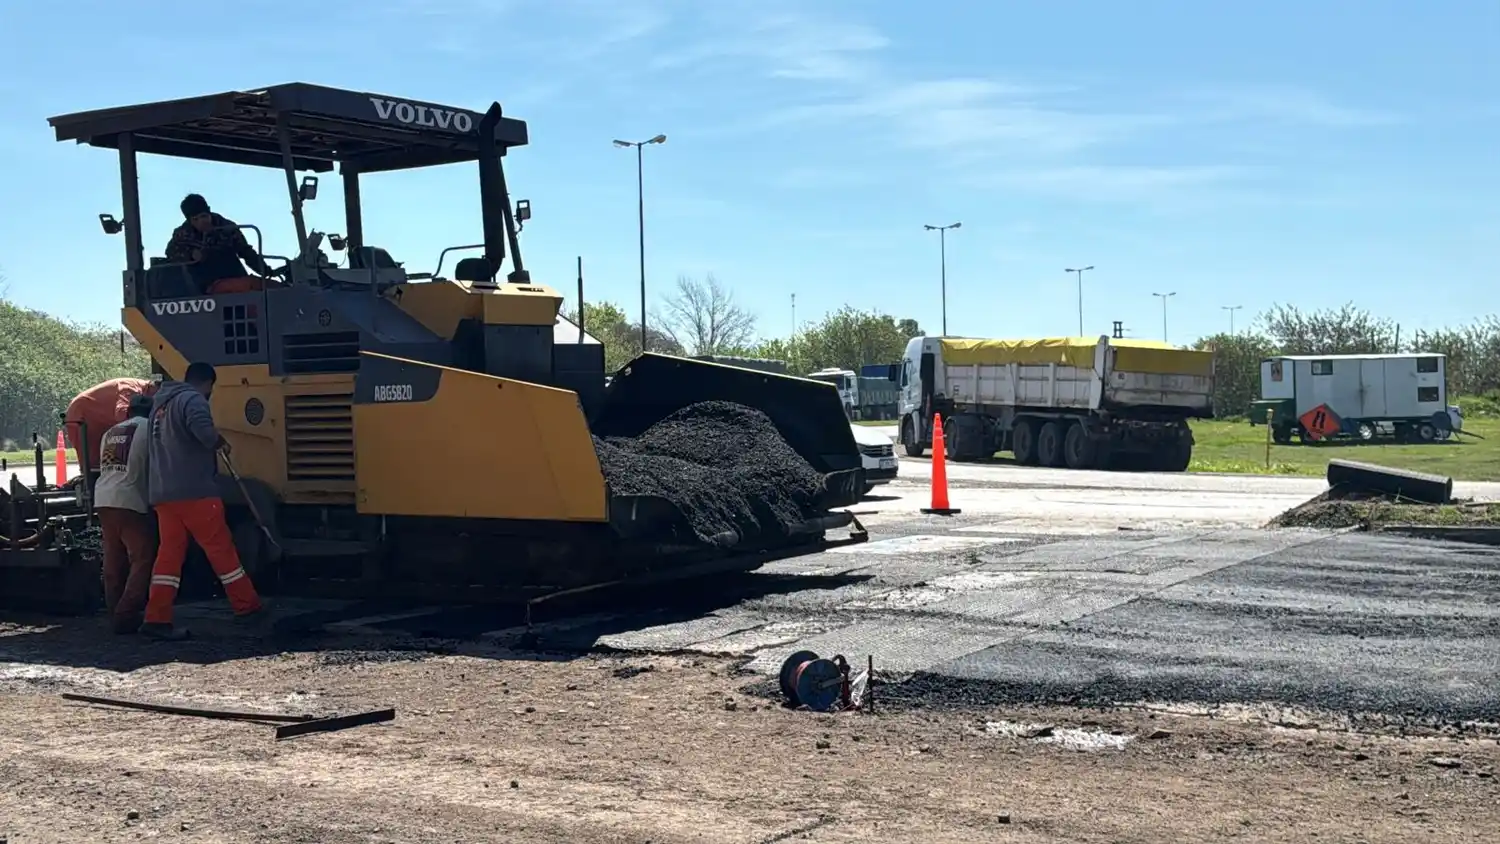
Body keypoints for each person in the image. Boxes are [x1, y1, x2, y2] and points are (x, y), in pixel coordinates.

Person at [139, 362, 266, 641]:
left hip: (164, 494)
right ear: (208, 383)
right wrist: (220, 443)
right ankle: (247, 608)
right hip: (195, 493)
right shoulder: (192, 399)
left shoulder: (159, 406)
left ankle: (157, 617)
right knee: (221, 550)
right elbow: (204, 433)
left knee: (169, 557)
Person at [94, 394, 158, 634]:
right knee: (141, 558)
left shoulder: (110, 432)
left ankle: (114, 610)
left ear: (128, 412)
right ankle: (127, 613)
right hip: (130, 500)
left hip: (104, 498)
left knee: (113, 557)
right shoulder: (149, 428)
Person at [164, 194, 276, 293]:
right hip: (206, 283)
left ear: (209, 211)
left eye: (204, 216)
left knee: (268, 287)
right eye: (195, 219)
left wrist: (265, 271)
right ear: (189, 221)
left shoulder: (227, 228)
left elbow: (246, 252)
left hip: (234, 275)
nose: (201, 222)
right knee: (250, 286)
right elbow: (171, 252)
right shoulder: (183, 234)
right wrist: (191, 254)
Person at [64, 377, 157, 478]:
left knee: (107, 467)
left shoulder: (141, 390)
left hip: (97, 421)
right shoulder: (130, 387)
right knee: (93, 469)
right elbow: (122, 414)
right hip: (82, 418)